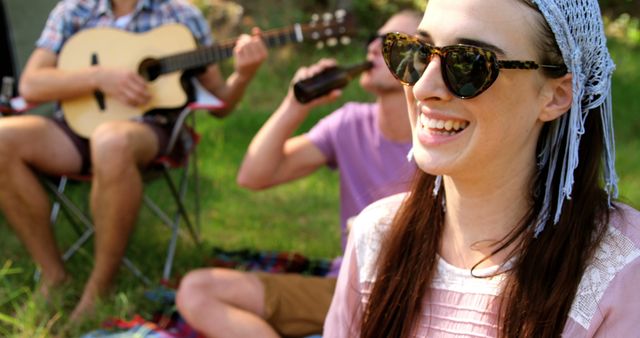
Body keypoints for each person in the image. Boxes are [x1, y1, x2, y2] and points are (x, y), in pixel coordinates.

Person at [324, 0, 640, 337]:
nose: (422, 88)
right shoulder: (377, 239)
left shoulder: (619, 268)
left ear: (557, 95)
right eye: (416, 52)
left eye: (468, 64)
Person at [0, 0, 267, 320]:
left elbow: (221, 102)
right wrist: (100, 77)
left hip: (150, 130)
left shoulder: (180, 15)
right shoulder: (73, 11)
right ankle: (54, 275)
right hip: (74, 129)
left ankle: (99, 289)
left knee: (111, 141)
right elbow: (31, 82)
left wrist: (244, 76)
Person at [175, 10, 422, 338]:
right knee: (197, 290)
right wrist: (296, 104)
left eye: (392, 42)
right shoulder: (349, 124)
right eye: (373, 38)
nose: (374, 47)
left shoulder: (442, 142)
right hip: (344, 289)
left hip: (412, 298)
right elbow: (253, 175)